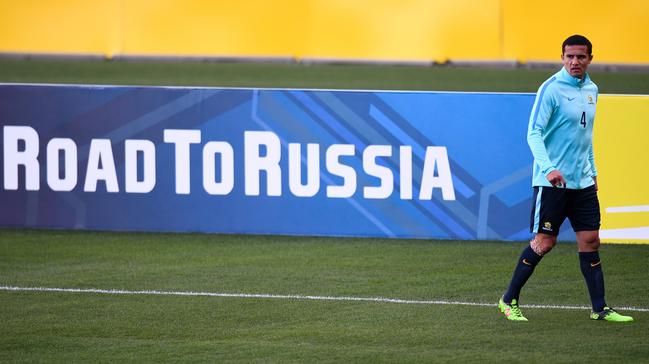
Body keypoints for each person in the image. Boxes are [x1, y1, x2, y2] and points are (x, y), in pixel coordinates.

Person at [497, 35, 633, 322]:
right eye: (569, 56)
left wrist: (592, 171)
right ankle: (508, 300)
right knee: (545, 242)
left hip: (581, 182)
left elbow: (585, 137)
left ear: (590, 60)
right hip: (552, 183)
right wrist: (548, 169)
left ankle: (599, 309)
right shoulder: (551, 89)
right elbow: (533, 134)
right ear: (562, 58)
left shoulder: (592, 89)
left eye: (580, 57)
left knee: (591, 240)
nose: (575, 62)